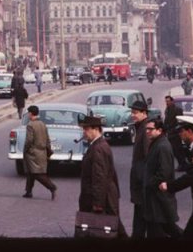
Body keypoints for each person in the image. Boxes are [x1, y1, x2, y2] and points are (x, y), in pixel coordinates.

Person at [78, 115, 127, 237]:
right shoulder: (98, 145)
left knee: (108, 229)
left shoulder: (98, 148)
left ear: (96, 129)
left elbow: (99, 177)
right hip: (105, 196)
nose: (84, 132)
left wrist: (98, 203)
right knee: (112, 228)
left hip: (102, 198)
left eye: (86, 129)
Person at [142, 118, 182, 238]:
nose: (147, 131)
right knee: (161, 229)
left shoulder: (162, 146)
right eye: (146, 129)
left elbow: (164, 173)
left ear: (159, 130)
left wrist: (149, 183)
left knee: (166, 229)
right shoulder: (156, 143)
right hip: (155, 198)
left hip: (159, 197)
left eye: (150, 129)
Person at [21, 105, 57, 200]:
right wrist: (48, 151)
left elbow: (29, 140)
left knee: (36, 173)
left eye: (28, 113)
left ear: (30, 113)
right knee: (30, 172)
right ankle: (28, 191)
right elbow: (47, 139)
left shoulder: (30, 125)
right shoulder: (42, 124)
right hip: (42, 151)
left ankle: (51, 187)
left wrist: (26, 149)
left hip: (33, 153)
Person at [128, 100, 151, 239]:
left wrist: (142, 178)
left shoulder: (145, 129)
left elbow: (148, 157)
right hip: (140, 181)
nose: (133, 115)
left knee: (142, 217)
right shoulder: (140, 127)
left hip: (143, 182)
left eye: (136, 113)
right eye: (132, 112)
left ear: (144, 113)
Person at [163, 95, 187, 171]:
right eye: (166, 101)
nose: (167, 103)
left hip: (175, 133)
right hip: (170, 133)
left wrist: (176, 130)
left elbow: (180, 121)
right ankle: (181, 164)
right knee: (173, 150)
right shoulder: (167, 110)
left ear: (172, 101)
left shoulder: (177, 110)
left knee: (177, 150)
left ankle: (183, 164)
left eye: (168, 101)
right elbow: (166, 121)